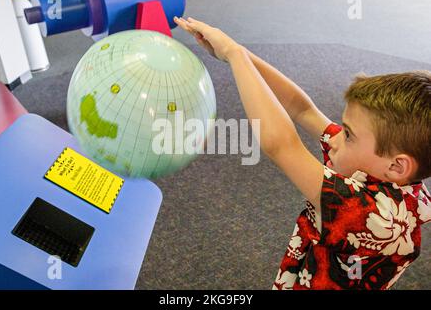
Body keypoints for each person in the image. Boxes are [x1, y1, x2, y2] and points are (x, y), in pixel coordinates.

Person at [174, 16, 431, 290]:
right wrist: (237, 54)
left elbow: (281, 145)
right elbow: (302, 109)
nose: (334, 139)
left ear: (397, 166)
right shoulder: (391, 175)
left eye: (348, 135)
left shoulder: (368, 212)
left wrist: (236, 56)